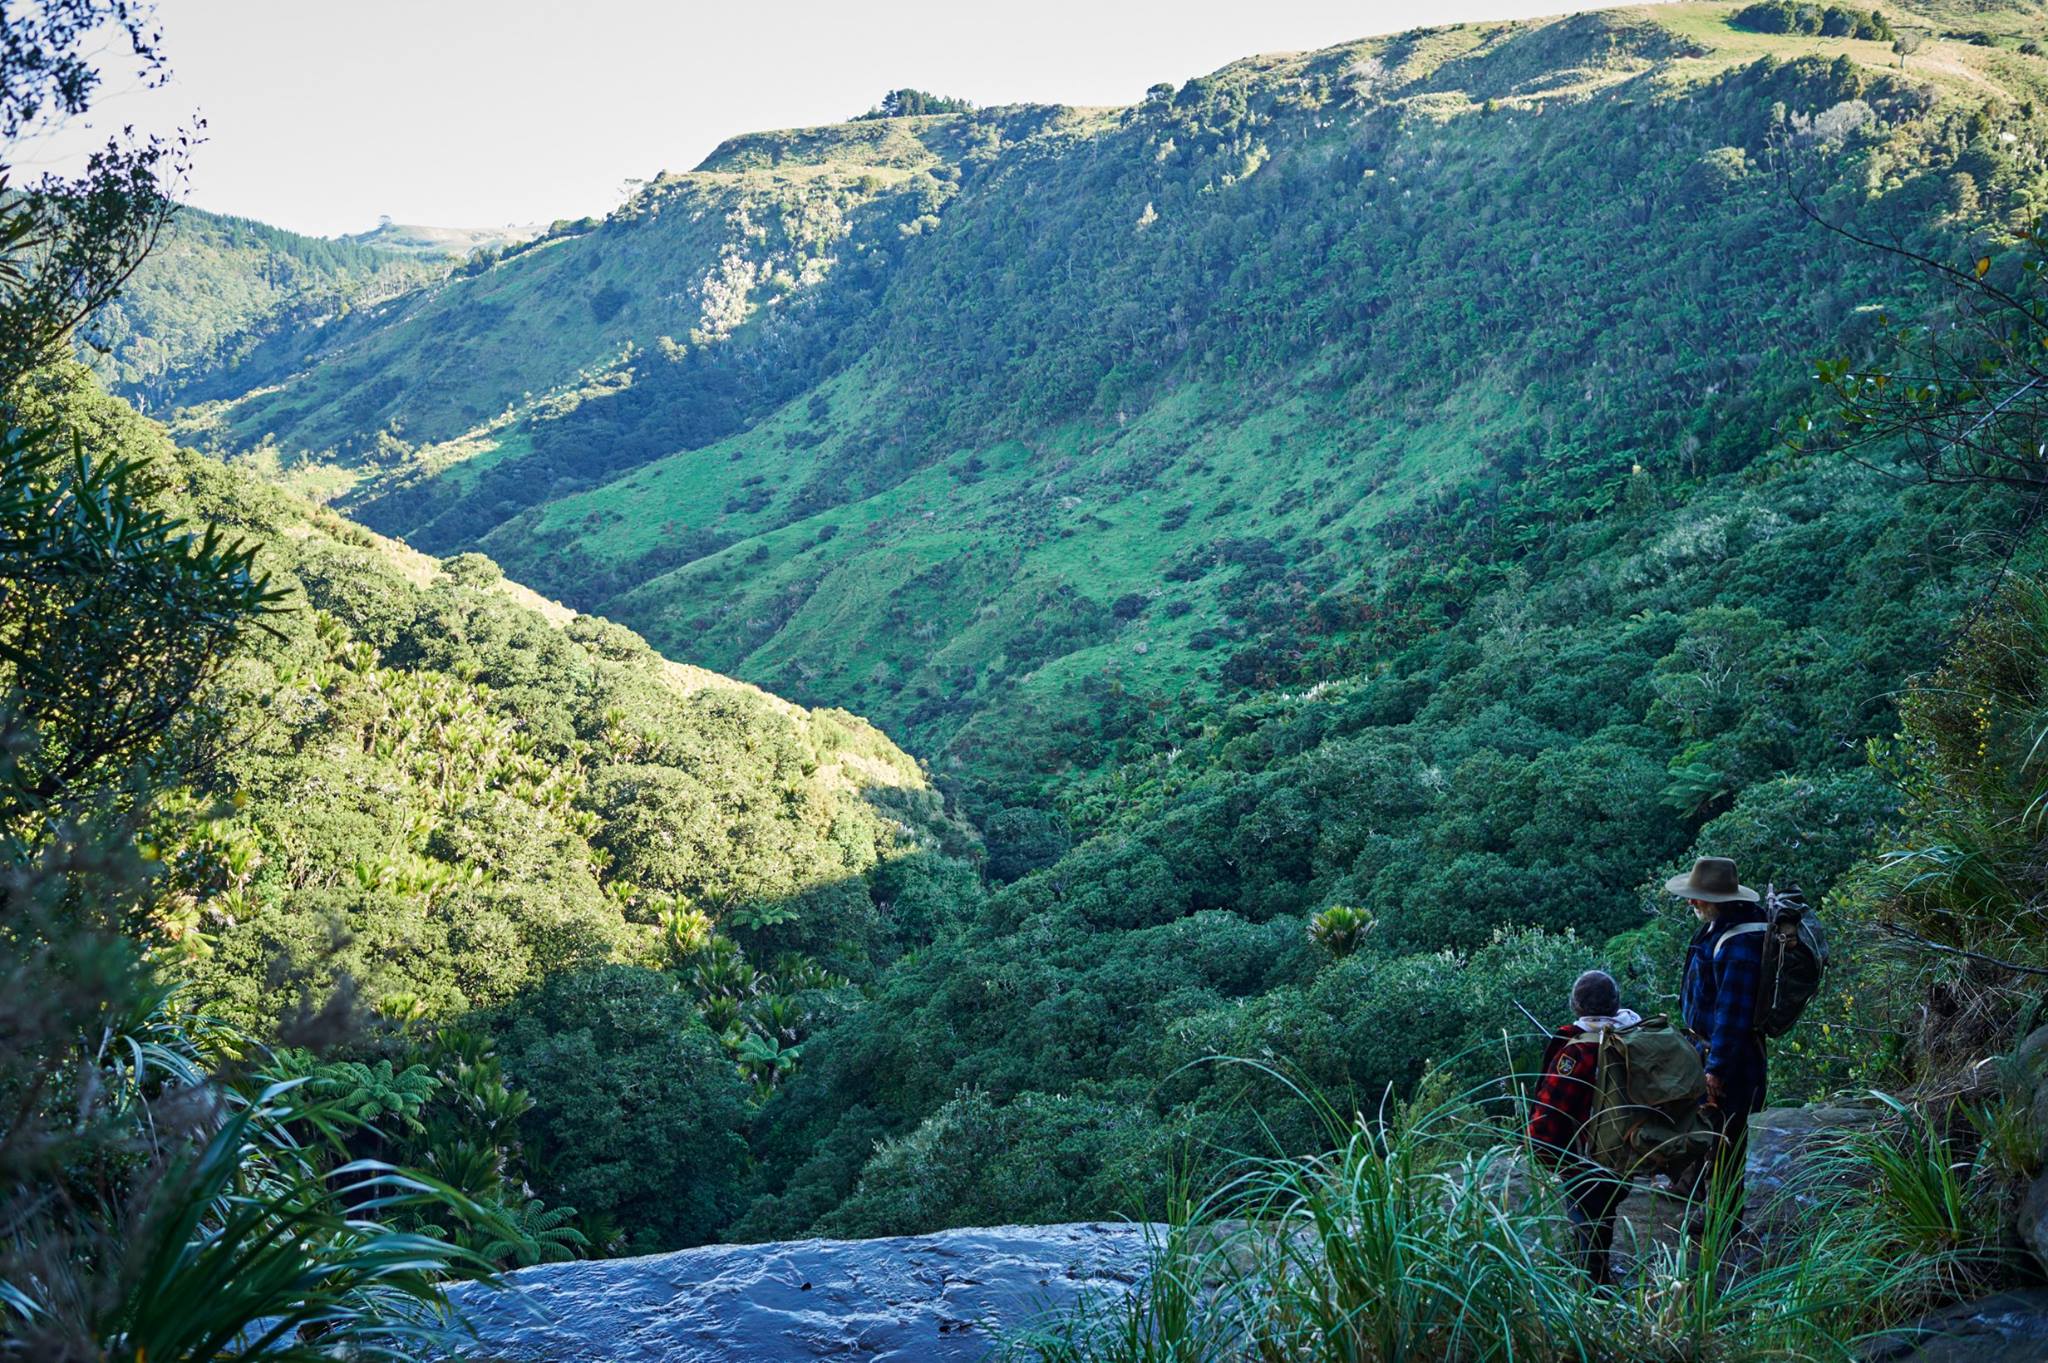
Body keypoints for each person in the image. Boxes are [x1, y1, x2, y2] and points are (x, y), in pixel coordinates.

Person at [1670, 855, 1768, 1234]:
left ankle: (1724, 1222)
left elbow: (1733, 1013)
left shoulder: (1739, 944)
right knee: (1710, 1128)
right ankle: (1699, 1195)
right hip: (1710, 1050)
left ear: (1719, 899)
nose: (1691, 902)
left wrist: (1717, 1068)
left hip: (1731, 1059)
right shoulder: (1721, 927)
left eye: (1698, 897)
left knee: (1727, 1136)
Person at [1527, 968, 1642, 1285]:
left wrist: (1549, 1157)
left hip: (1587, 1155)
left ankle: (1591, 1287)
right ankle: (1598, 1272)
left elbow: (1549, 1115)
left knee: (1586, 1214)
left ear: (1576, 1006)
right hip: (1629, 1149)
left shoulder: (1577, 1051)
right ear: (1615, 1003)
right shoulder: (1635, 1035)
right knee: (1603, 1213)